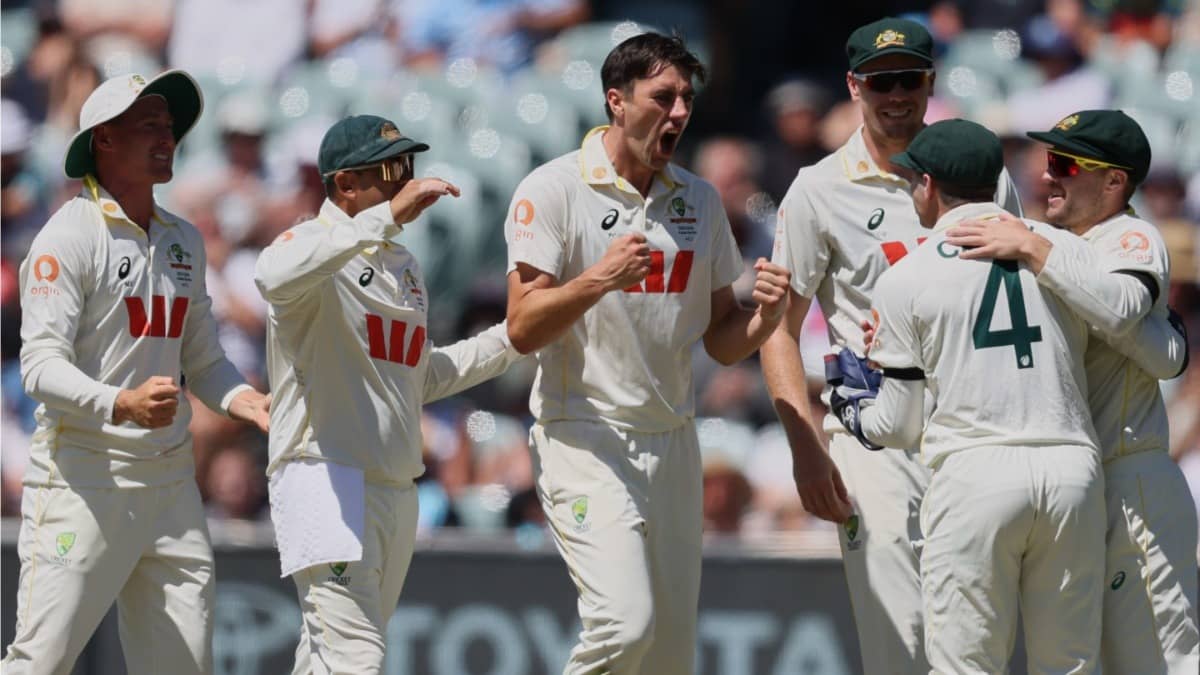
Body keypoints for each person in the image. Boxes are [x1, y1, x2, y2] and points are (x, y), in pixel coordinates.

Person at [503, 32, 790, 674]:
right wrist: (598, 279)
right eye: (664, 96)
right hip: (585, 438)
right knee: (625, 628)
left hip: (673, 443)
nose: (680, 112)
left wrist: (766, 318)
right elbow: (522, 327)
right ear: (617, 101)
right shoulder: (552, 190)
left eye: (687, 98)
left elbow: (721, 335)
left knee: (666, 657)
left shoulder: (701, 199)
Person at [759, 17, 1021, 673]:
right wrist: (807, 446)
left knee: (976, 642)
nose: (896, 95)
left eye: (908, 79)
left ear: (931, 82)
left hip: (971, 431)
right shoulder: (817, 190)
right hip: (873, 435)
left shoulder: (978, 167)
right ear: (854, 86)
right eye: (881, 82)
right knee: (898, 640)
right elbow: (779, 330)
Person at [4, 69, 271, 674]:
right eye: (148, 125)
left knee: (183, 666)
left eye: (169, 127)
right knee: (38, 662)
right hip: (84, 481)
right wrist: (119, 403)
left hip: (171, 484)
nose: (166, 137)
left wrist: (246, 402)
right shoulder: (65, 239)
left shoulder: (183, 240)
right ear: (103, 139)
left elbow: (202, 359)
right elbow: (39, 367)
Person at [254, 114, 524, 673]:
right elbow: (271, 277)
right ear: (345, 185)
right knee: (355, 658)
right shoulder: (308, 244)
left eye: (409, 166)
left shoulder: (402, 265)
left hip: (393, 483)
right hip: (324, 473)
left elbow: (417, 377)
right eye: (390, 169)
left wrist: (513, 341)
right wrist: (383, 219)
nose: (406, 181)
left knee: (327, 656)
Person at [944, 110, 1198, 673]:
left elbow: (1125, 307)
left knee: (1159, 659)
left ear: (1114, 182)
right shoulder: (1054, 241)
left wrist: (1032, 246)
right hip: (1073, 486)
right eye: (1045, 162)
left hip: (1133, 484)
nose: (1046, 176)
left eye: (1065, 163)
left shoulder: (1130, 234)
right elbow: (1158, 348)